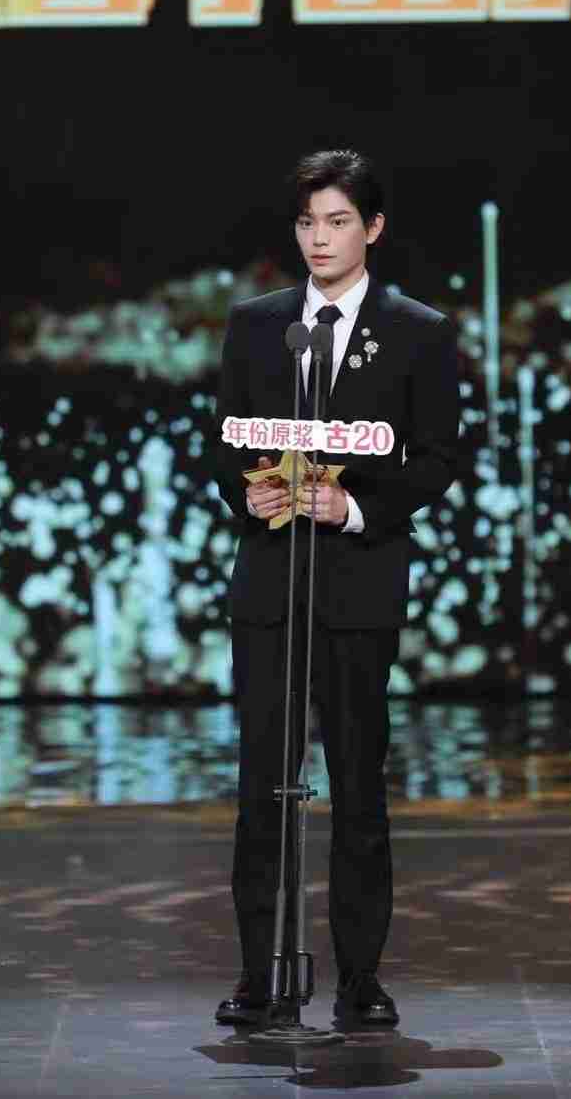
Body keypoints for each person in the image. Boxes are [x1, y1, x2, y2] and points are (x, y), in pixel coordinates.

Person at [212, 149, 461, 1032]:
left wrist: (352, 506)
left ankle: (360, 978)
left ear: (373, 229)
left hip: (358, 588)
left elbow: (437, 458)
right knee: (261, 789)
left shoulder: (419, 331)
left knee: (359, 787)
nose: (319, 239)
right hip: (271, 587)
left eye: (338, 222)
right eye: (307, 223)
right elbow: (222, 439)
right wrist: (246, 492)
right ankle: (258, 976)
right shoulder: (256, 326)